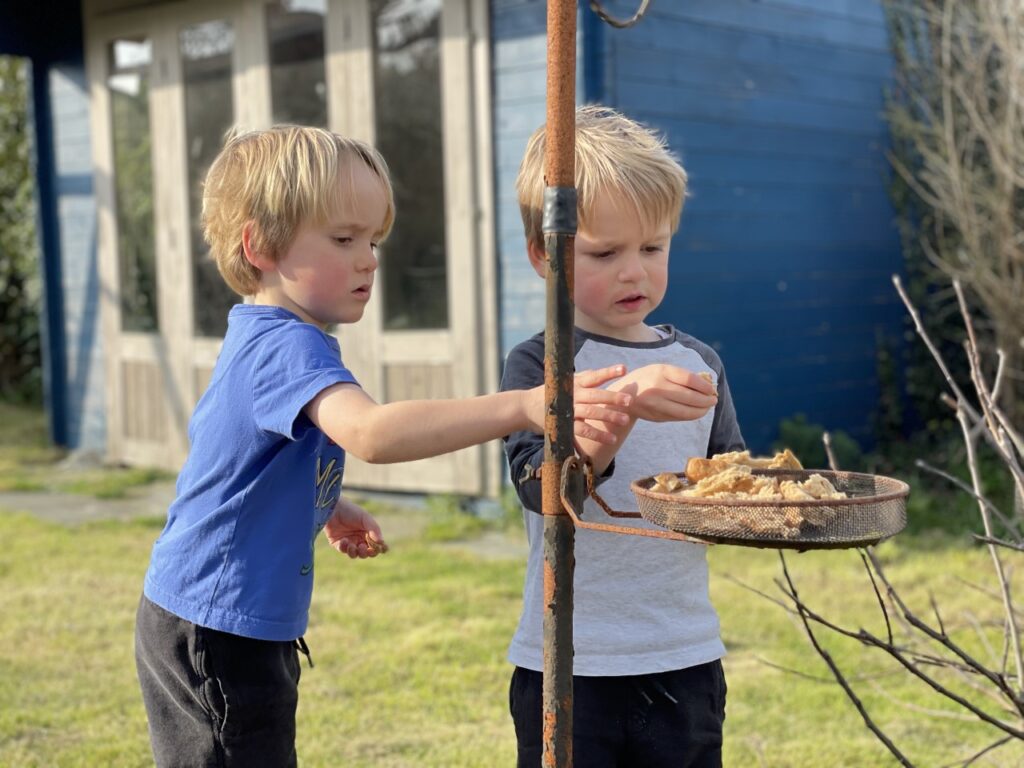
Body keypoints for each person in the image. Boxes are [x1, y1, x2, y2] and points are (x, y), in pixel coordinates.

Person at [133, 125, 635, 768]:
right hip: (215, 628)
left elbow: (237, 456)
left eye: (373, 240)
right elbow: (371, 433)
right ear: (259, 244)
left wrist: (324, 505)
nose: (368, 257)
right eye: (343, 239)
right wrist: (521, 405)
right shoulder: (285, 345)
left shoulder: (269, 335)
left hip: (215, 619)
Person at [500, 105, 746, 767]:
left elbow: (731, 487)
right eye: (605, 253)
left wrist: (779, 508)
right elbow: (550, 497)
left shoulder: (700, 364)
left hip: (684, 655)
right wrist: (624, 406)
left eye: (653, 247)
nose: (634, 271)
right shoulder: (541, 365)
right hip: (570, 661)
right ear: (542, 255)